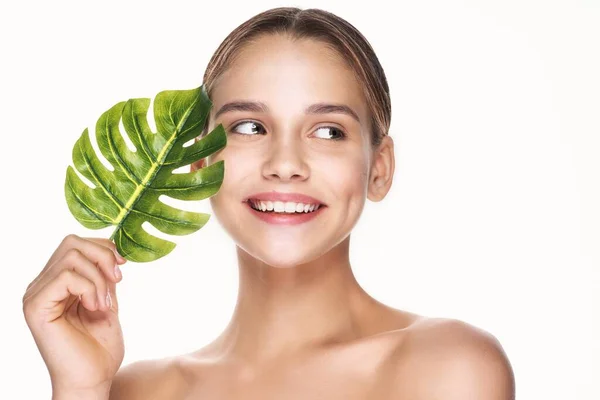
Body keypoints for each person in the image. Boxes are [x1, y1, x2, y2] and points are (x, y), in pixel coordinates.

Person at [22, 6, 515, 399]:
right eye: (249, 127)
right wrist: (80, 389)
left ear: (379, 168)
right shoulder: (138, 391)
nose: (285, 163)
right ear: (199, 163)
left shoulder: (449, 369)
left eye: (328, 131)